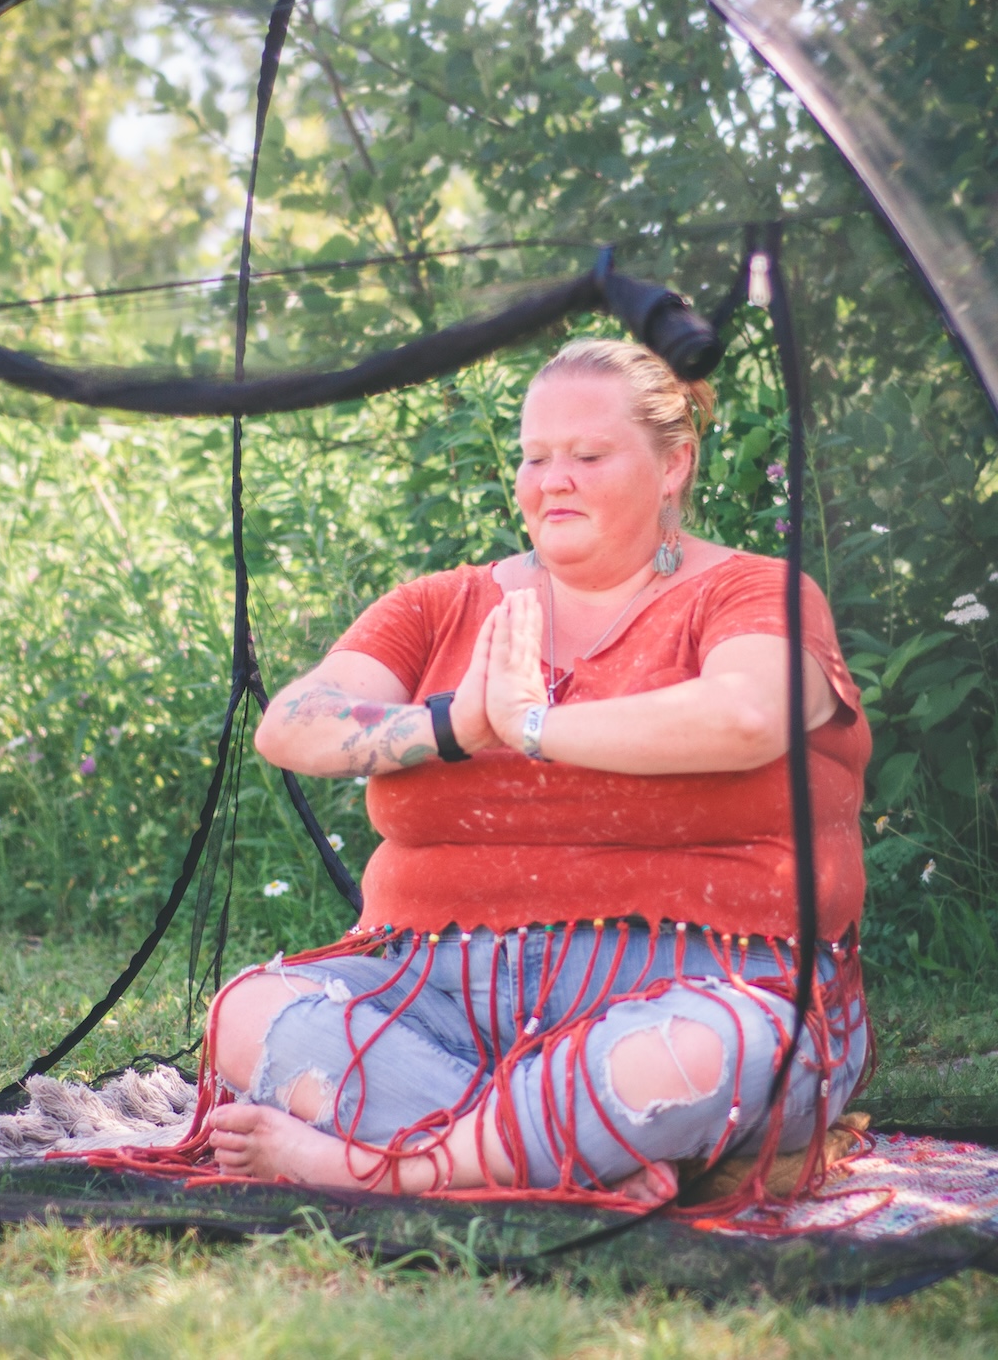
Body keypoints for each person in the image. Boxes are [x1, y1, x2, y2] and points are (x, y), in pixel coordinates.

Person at [203, 338, 872, 1204]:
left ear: (674, 465)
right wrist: (457, 722)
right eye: (534, 456)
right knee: (248, 1014)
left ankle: (385, 1166)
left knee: (700, 1054)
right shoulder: (442, 603)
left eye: (588, 456)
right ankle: (577, 1157)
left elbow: (746, 716)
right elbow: (293, 726)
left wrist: (532, 726)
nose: (553, 479)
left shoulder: (754, 592)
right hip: (441, 986)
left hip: (708, 979)